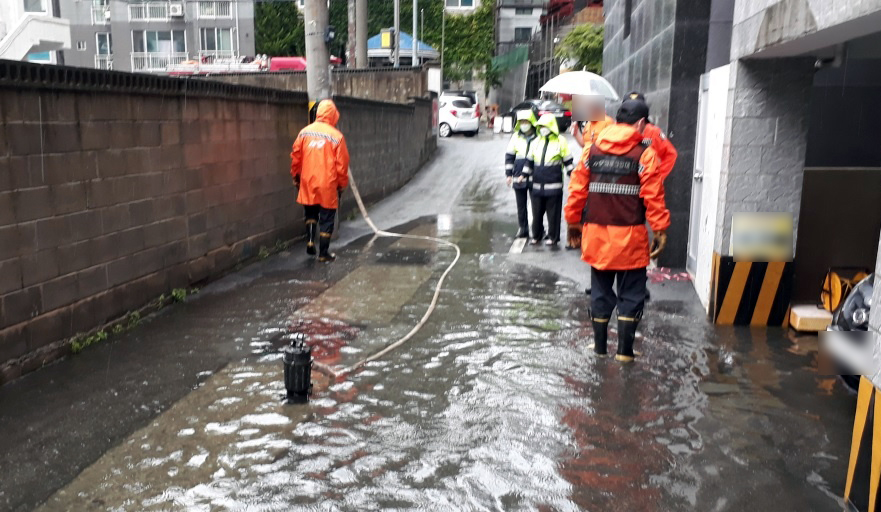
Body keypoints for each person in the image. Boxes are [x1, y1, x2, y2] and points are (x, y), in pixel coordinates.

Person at [564, 99, 670, 362]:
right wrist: (659, 228)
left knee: (600, 291)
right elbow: (653, 195)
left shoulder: (592, 150)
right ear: (642, 123)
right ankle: (625, 353)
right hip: (630, 238)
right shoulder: (644, 152)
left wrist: (573, 223)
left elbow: (577, 190)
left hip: (597, 236)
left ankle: (600, 348)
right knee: (631, 293)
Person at [290, 99, 351, 262]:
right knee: (327, 217)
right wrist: (342, 185)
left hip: (308, 180)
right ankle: (323, 254)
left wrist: (296, 177)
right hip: (328, 183)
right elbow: (342, 166)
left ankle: (310, 240)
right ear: (333, 116)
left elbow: (295, 158)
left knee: (310, 212)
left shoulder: (304, 133)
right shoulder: (337, 137)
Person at [524, 113, 575, 247]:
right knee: (536, 213)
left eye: (545, 126)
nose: (542, 129)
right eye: (540, 126)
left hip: (554, 186)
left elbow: (568, 161)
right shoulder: (535, 142)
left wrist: (572, 175)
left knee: (553, 214)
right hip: (537, 185)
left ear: (551, 126)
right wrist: (523, 175)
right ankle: (536, 236)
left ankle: (553, 237)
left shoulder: (560, 141)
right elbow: (529, 161)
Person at [626, 92, 678, 180]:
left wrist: (657, 177)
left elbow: (670, 154)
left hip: (644, 183)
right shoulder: (614, 130)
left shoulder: (653, 131)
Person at [504, 109, 539, 238]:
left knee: (537, 206)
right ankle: (523, 228)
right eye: (522, 122)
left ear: (531, 122)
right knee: (521, 205)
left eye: (526, 121)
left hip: (535, 175)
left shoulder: (539, 135)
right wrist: (508, 174)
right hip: (518, 175)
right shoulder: (515, 137)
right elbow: (509, 156)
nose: (524, 124)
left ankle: (538, 230)